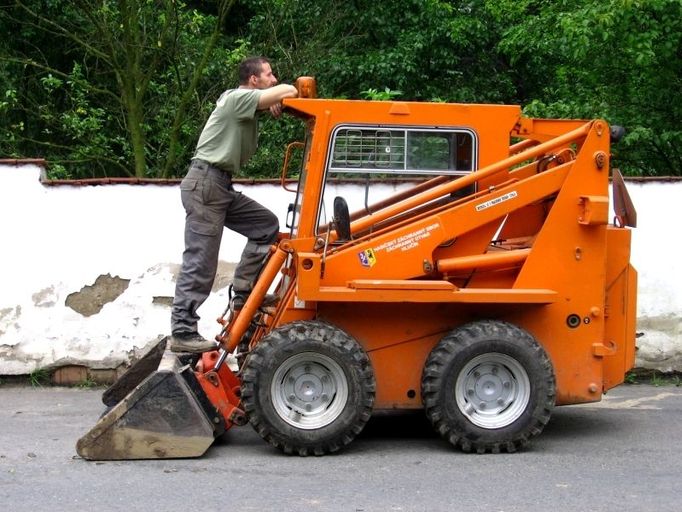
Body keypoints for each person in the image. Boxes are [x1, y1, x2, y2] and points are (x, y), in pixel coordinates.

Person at [170, 57, 298, 353]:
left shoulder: (245, 105)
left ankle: (244, 294)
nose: (274, 77)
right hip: (206, 184)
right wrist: (281, 93)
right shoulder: (237, 97)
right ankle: (182, 330)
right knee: (201, 260)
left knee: (265, 226)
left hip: (218, 185)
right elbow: (290, 89)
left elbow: (274, 98)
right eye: (269, 74)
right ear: (254, 80)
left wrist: (271, 102)